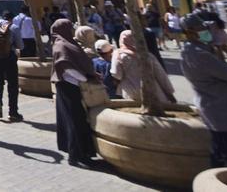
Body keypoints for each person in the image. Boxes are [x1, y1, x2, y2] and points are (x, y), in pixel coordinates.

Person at [179, 12, 227, 168]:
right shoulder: (199, 54)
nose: (207, 30)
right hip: (226, 113)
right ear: (191, 32)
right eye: (202, 27)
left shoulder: (196, 51)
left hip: (221, 111)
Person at [50, 18, 101, 167]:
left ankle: (81, 153)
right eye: (69, 26)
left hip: (73, 87)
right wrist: (84, 78)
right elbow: (66, 67)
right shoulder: (61, 45)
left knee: (76, 120)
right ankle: (76, 155)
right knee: (74, 121)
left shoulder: (67, 42)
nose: (72, 29)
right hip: (68, 88)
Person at [111, 30, 176, 106]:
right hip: (152, 89)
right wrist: (169, 93)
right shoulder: (147, 55)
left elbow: (117, 74)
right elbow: (161, 75)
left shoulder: (118, 55)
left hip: (131, 92)